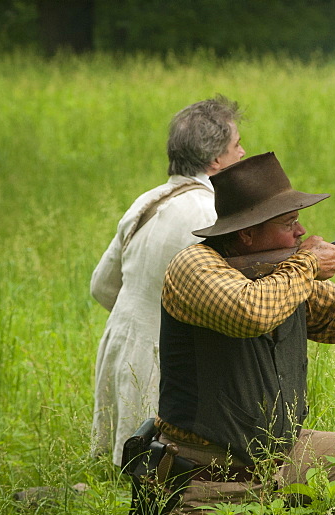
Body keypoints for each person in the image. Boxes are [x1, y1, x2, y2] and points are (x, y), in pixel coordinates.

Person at [148, 152, 335, 515]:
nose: (301, 233)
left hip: (283, 454)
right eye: (288, 223)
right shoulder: (194, 266)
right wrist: (306, 265)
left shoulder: (285, 273)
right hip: (209, 472)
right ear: (247, 234)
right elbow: (249, 312)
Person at [91, 95, 246, 465]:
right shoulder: (212, 212)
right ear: (215, 160)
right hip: (164, 357)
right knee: (152, 473)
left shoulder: (146, 201)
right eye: (236, 145)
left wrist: (140, 320)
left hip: (120, 341)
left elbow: (101, 285)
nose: (243, 153)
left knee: (122, 469)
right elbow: (235, 299)